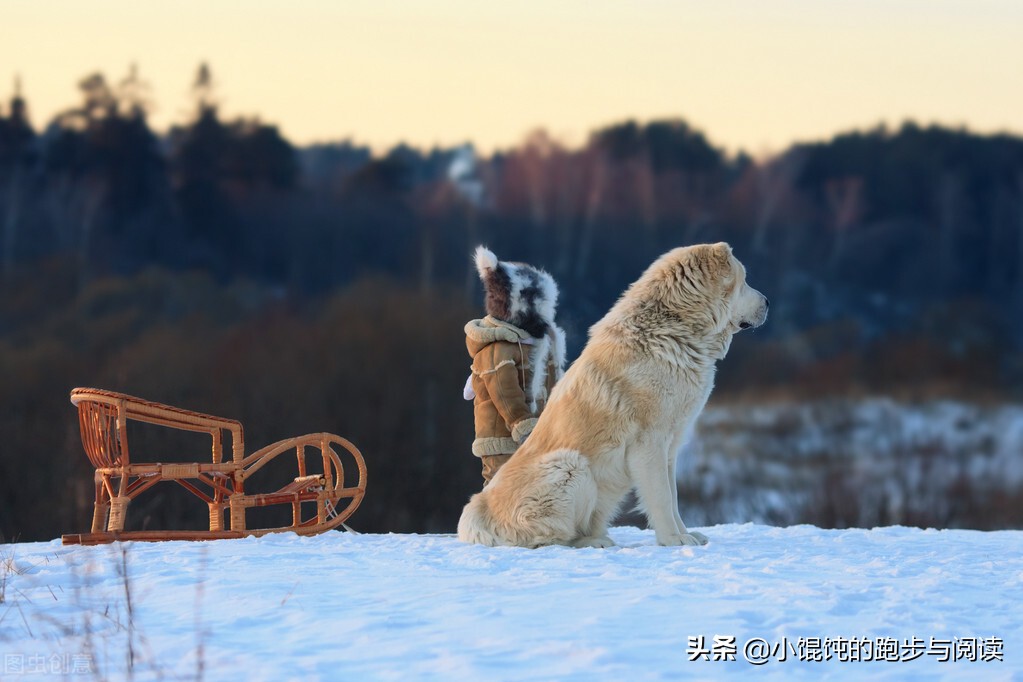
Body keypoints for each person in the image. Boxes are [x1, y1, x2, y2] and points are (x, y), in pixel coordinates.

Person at [464, 246, 566, 486]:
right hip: (502, 436)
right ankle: (487, 520)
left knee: (531, 486)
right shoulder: (498, 347)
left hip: (536, 436)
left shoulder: (538, 346)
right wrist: (523, 424)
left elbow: (553, 384)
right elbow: (504, 391)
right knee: (500, 483)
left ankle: (527, 521)